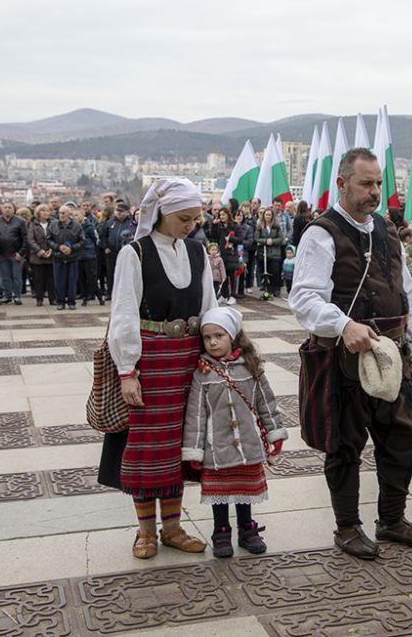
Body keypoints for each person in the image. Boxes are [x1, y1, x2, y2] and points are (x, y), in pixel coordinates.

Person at [289, 147, 412, 560]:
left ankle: (391, 520)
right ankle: (347, 527)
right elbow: (303, 298)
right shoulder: (322, 232)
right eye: (366, 183)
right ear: (341, 183)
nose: (375, 192)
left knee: (406, 437)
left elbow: (406, 291)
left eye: (378, 184)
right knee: (344, 445)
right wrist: (342, 324)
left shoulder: (388, 230)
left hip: (393, 353)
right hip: (344, 358)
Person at [98, 177, 215, 560]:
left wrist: (217, 352)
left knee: (180, 447)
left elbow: (210, 308)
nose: (191, 225)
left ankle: (174, 528)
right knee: (149, 450)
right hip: (150, 362)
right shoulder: (136, 254)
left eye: (196, 218)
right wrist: (127, 371)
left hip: (187, 362)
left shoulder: (197, 253)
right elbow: (124, 314)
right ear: (162, 212)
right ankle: (145, 531)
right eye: (184, 218)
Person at [183, 307, 287, 557]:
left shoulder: (250, 367)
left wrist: (275, 433)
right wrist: (194, 450)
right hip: (216, 448)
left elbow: (266, 402)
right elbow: (195, 415)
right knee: (219, 491)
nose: (213, 342)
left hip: (248, 444)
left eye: (219, 335)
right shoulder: (202, 373)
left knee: (245, 490)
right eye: (207, 338)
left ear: (232, 336)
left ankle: (247, 530)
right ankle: (221, 532)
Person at [47, 203, 84, 310]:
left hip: (73, 257)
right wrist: (58, 247)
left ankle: (71, 302)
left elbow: (82, 241)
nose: (61, 215)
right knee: (59, 281)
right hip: (58, 257)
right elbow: (48, 240)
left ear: (69, 214)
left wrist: (71, 248)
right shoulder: (53, 225)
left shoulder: (77, 226)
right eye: (60, 213)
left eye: (63, 213)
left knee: (72, 281)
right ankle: (60, 301)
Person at [100, 201, 136, 300]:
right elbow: (103, 235)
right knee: (111, 273)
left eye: (121, 211)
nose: (119, 213)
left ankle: (124, 294)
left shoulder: (130, 223)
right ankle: (110, 292)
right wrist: (105, 247)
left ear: (126, 212)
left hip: (125, 252)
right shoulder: (110, 222)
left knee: (125, 273)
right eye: (117, 211)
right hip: (112, 252)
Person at [0, 202, 27, 305]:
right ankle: (7, 296)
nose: (7, 209)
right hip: (2, 254)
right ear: (2, 209)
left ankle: (17, 296)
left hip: (15, 254)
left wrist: (21, 253)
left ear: (14, 209)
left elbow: (25, 238)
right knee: (5, 277)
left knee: (17, 277)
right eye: (5, 207)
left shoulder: (20, 221)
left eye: (9, 207)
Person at [27, 204, 56, 306]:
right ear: (38, 213)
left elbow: (56, 237)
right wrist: (40, 251)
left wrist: (51, 250)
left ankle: (53, 299)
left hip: (51, 255)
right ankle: (39, 299)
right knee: (38, 279)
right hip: (37, 257)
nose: (45, 213)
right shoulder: (33, 224)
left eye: (47, 211)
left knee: (51, 279)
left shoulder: (53, 223)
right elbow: (30, 240)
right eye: (43, 211)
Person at [75, 206, 103, 306]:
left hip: (89, 255)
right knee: (81, 278)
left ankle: (99, 296)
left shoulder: (89, 226)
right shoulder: (75, 227)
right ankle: (84, 298)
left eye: (77, 215)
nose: (75, 217)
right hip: (79, 256)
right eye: (73, 215)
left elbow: (96, 239)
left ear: (82, 215)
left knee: (92, 278)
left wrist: (92, 250)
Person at [254, 208, 284, 299]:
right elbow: (256, 238)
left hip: (275, 253)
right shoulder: (259, 226)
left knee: (275, 271)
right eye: (266, 214)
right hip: (264, 253)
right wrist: (265, 241)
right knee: (266, 272)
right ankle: (268, 290)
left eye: (269, 215)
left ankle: (276, 289)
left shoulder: (277, 226)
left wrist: (273, 241)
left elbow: (281, 238)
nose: (268, 216)